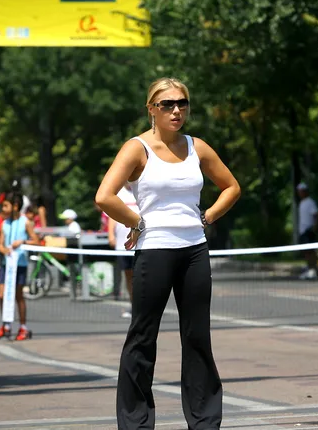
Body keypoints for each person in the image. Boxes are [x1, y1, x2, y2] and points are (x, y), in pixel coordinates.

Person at [95, 77, 241, 430]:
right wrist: (137, 222)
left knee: (197, 337)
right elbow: (104, 196)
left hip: (194, 250)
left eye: (182, 104)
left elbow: (231, 187)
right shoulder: (136, 149)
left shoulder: (197, 147)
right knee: (143, 337)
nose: (176, 110)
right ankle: (136, 422)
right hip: (155, 251)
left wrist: (206, 217)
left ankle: (205, 421)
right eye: (167, 104)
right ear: (152, 109)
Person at [0, 192, 38, 341]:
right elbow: (0, 243)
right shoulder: (4, 223)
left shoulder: (25, 222)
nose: (3, 208)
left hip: (19, 264)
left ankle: (23, 326)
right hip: (6, 264)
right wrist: (3, 249)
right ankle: (6, 324)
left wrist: (22, 242)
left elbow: (35, 240)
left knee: (18, 296)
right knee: (1, 295)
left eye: (6, 205)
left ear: (15, 206)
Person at [107, 184, 138, 319]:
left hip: (141, 243)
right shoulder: (118, 194)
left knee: (142, 276)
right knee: (129, 276)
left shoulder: (142, 189)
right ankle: (134, 305)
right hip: (123, 245)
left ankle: (143, 306)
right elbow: (112, 216)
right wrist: (111, 235)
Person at [296, 182, 318, 279]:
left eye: (301, 191)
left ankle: (313, 269)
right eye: (299, 192)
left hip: (308, 230)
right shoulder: (301, 203)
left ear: (305, 192)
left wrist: (315, 226)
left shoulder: (310, 202)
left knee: (311, 251)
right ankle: (309, 268)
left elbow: (316, 215)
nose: (300, 193)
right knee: (306, 251)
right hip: (302, 231)